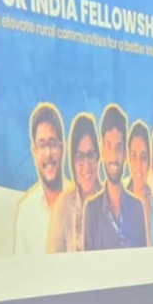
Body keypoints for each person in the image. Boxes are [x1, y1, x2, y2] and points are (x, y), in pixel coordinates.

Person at [84, 105, 147, 250]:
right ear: (101, 150)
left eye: (118, 147)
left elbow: (144, 264)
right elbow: (86, 269)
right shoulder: (91, 211)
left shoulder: (138, 208)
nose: (113, 156)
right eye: (108, 146)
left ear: (125, 153)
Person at [15, 103, 68, 254]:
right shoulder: (26, 211)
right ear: (34, 151)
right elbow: (20, 273)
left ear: (62, 148)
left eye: (52, 144)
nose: (48, 153)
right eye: (42, 145)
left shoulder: (80, 200)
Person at [48, 114, 99, 253]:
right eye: (80, 157)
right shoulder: (62, 207)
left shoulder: (111, 200)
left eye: (90, 155)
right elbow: (53, 265)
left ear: (98, 156)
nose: (87, 165)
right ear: (72, 162)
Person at [127, 120, 153, 246]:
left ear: (149, 161)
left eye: (143, 157)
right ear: (128, 159)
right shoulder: (118, 206)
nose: (138, 165)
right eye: (134, 156)